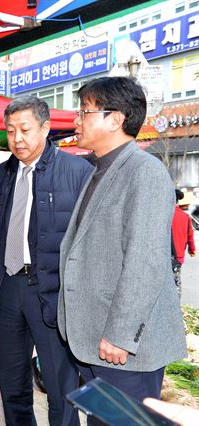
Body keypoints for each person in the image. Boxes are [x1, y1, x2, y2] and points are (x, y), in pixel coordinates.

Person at [57, 77, 187, 419]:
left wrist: (119, 335)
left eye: (85, 111)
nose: (76, 120)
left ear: (115, 119)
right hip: (93, 339)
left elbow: (144, 262)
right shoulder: (98, 169)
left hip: (123, 350)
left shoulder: (144, 171)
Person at [0, 96, 93, 426]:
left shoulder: (77, 171)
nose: (17, 139)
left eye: (25, 130)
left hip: (51, 291)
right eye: (10, 131)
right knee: (12, 380)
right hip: (9, 287)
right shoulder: (1, 175)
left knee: (58, 385)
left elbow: (91, 240)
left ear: (45, 128)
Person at [172, 189, 196, 294]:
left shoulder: (163, 215)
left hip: (162, 255)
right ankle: (175, 306)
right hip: (178, 256)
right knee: (176, 282)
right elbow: (190, 236)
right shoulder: (185, 217)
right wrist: (192, 250)